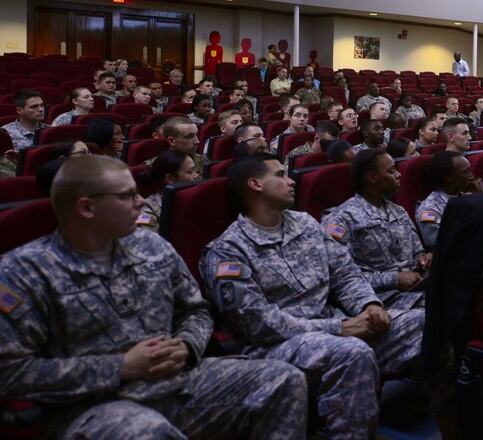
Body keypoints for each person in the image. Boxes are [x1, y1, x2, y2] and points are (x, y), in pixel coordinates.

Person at [0, 155, 307, 438]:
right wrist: (119, 366)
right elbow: (11, 372)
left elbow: (196, 311)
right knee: (148, 431)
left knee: (283, 379)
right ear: (86, 207)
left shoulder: (152, 246)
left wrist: (187, 346)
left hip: (179, 383)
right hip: (96, 405)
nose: (141, 202)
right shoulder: (24, 271)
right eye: (127, 196)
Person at [201, 153, 404, 437]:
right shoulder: (227, 251)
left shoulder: (306, 224)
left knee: (422, 324)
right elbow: (257, 324)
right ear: (255, 184)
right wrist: (339, 328)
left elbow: (344, 272)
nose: (291, 180)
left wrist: (368, 304)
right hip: (273, 347)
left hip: (335, 325)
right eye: (280, 175)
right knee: (351, 353)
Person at [322, 149, 430, 345]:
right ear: (372, 177)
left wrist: (425, 260)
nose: (399, 175)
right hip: (379, 300)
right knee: (441, 307)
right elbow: (340, 279)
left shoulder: (399, 211)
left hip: (414, 289)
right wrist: (394, 279)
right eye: (391, 171)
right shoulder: (341, 219)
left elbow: (418, 254)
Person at [416, 150, 481, 248]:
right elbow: (441, 246)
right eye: (465, 172)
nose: (471, 177)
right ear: (449, 176)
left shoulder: (468, 196)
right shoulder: (430, 210)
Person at [139, 149, 200, 233]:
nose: (196, 176)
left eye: (195, 170)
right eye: (190, 172)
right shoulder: (146, 211)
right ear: (169, 178)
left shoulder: (197, 200)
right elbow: (152, 244)